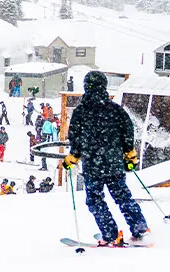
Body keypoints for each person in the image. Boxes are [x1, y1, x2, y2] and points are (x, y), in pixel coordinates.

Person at [63, 71, 149, 246]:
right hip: (114, 163)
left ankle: (110, 234)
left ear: (86, 86)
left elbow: (75, 138)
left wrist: (73, 156)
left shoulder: (81, 112)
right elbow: (127, 132)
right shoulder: (115, 109)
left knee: (95, 200)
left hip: (92, 165)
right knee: (123, 197)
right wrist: (129, 153)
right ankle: (140, 229)